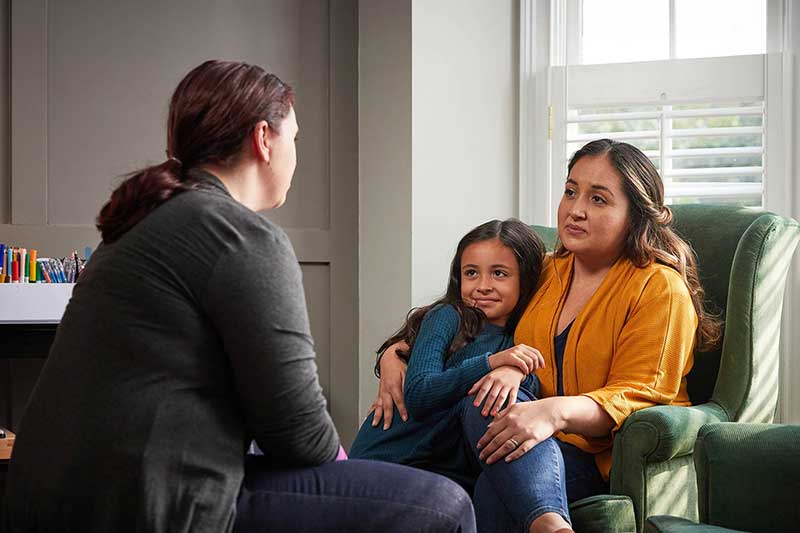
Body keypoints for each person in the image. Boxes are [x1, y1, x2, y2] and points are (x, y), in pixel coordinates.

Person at [2, 60, 476, 533]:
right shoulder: (240, 236)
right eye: (295, 138)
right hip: (143, 504)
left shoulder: (142, 223)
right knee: (444, 506)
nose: (295, 154)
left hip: (48, 497)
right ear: (264, 138)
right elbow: (302, 437)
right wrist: (348, 469)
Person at [373, 139, 721, 533]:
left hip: (590, 454)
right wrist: (395, 355)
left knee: (492, 488)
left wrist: (552, 412)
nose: (576, 210)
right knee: (483, 397)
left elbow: (638, 395)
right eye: (570, 191)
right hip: (512, 430)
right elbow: (464, 316)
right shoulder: (543, 271)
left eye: (599, 199)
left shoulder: (659, 288)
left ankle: (550, 524)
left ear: (634, 215)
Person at [349, 219, 546, 490]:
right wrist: (492, 363)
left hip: (446, 474)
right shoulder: (448, 317)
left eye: (499, 274)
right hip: (388, 464)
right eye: (471, 273)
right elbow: (420, 393)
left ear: (526, 278)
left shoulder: (523, 339)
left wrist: (514, 371)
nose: (483, 286)